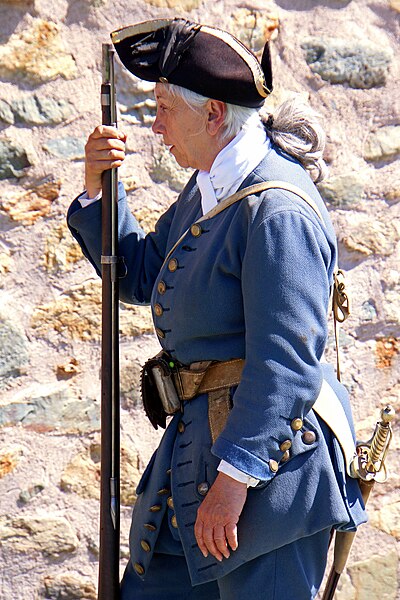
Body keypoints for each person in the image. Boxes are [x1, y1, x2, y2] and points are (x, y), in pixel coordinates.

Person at [67, 18, 366, 600]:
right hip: (197, 452)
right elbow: (143, 273)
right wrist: (100, 191)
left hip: (263, 474)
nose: (154, 127)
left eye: (162, 108)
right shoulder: (210, 187)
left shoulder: (276, 209)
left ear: (211, 115)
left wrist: (235, 481)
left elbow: (286, 363)